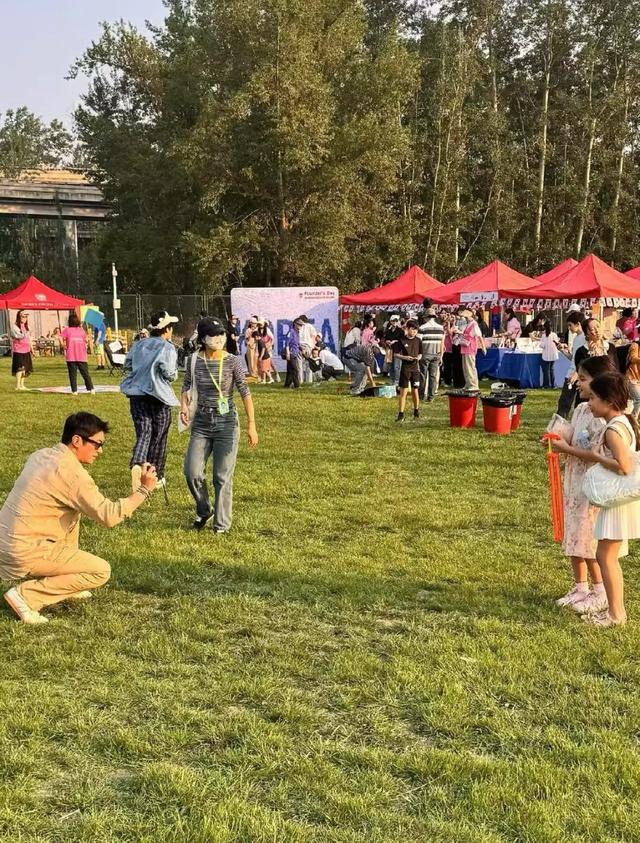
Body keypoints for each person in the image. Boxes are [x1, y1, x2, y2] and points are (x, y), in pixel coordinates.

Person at [0, 412, 157, 624]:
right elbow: (109, 516)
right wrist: (144, 490)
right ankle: (26, 596)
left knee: (73, 513)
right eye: (97, 444)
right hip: (23, 552)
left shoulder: (41, 455)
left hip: (6, 543)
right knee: (100, 571)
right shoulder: (73, 474)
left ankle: (69, 584)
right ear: (76, 440)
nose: (100, 451)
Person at [550, 372, 640, 627]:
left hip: (615, 501)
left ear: (610, 401)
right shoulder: (624, 422)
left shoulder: (613, 430)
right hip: (618, 499)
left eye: (596, 398)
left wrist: (596, 456)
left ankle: (615, 613)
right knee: (605, 556)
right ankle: (614, 610)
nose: (590, 403)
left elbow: (623, 466)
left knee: (606, 557)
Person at [549, 356, 613, 616]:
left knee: (588, 538)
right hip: (573, 482)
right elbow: (572, 436)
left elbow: (597, 454)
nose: (578, 383)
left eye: (583, 379)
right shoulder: (580, 410)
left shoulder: (603, 418)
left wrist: (568, 448)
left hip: (592, 486)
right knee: (573, 533)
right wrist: (556, 437)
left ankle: (600, 591)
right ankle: (580, 586)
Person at [181, 318, 258, 532]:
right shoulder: (193, 360)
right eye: (214, 335)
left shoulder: (233, 361)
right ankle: (204, 508)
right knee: (192, 471)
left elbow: (245, 391)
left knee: (222, 476)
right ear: (203, 338)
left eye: (222, 334)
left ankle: (222, 525)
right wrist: (184, 407)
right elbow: (186, 385)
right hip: (202, 423)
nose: (220, 339)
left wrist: (251, 424)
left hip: (227, 423)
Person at [120, 311, 179, 493]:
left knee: (144, 433)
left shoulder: (139, 344)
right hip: (158, 396)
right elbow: (168, 372)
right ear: (167, 329)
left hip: (137, 395)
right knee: (159, 437)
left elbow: (127, 364)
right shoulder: (167, 347)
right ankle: (156, 474)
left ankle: (137, 463)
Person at [556, 312, 587, 418]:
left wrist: (577, 373)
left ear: (578, 324)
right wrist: (563, 351)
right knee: (564, 402)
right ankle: (560, 425)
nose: (569, 328)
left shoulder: (585, 338)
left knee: (580, 404)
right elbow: (573, 358)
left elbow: (585, 359)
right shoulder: (576, 338)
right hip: (570, 374)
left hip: (579, 375)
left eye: (570, 325)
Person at [62, 312, 95, 396]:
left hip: (71, 356)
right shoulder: (81, 330)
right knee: (85, 373)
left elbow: (59, 337)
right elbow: (86, 340)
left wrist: (63, 345)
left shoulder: (67, 330)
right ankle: (91, 389)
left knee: (72, 374)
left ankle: (74, 391)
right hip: (82, 356)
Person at [396, 319, 421, 421]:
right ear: (407, 329)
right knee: (404, 392)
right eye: (412, 329)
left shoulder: (418, 340)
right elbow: (396, 354)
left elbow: (420, 353)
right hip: (405, 369)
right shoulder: (402, 340)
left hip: (415, 369)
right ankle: (401, 414)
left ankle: (416, 411)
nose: (414, 332)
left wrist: (418, 357)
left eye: (416, 330)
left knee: (415, 391)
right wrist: (405, 357)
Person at [418, 307, 444, 402]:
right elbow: (442, 343)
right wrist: (441, 356)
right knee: (433, 376)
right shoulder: (441, 328)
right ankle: (431, 396)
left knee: (423, 375)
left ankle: (421, 395)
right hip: (437, 354)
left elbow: (419, 342)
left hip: (425, 353)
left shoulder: (422, 328)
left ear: (426, 317)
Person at [457, 309, 486, 391]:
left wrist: (483, 347)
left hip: (470, 348)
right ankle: (468, 384)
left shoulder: (474, 324)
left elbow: (479, 336)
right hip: (465, 348)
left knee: (470, 367)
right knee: (466, 368)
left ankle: (473, 385)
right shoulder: (468, 324)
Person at [11, 309, 32, 391]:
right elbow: (17, 336)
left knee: (25, 368)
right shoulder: (15, 326)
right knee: (20, 368)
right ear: (19, 317)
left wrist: (31, 348)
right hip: (18, 350)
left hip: (26, 350)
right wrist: (26, 334)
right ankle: (17, 385)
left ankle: (22, 385)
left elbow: (29, 338)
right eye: (23, 316)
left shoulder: (27, 327)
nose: (24, 318)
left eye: (26, 317)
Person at [384, 314, 405, 388]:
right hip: (390, 350)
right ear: (391, 321)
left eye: (396, 321)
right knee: (390, 366)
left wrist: (395, 341)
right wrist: (387, 341)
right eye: (393, 321)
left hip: (397, 350)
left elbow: (403, 341)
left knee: (397, 366)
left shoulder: (400, 331)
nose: (395, 322)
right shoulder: (388, 331)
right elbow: (385, 339)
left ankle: (397, 381)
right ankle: (392, 380)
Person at [538, 320, 560, 389]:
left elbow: (542, 345)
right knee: (551, 369)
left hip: (546, 355)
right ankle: (553, 385)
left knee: (546, 370)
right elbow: (557, 343)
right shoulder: (554, 335)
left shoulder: (544, 336)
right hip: (553, 355)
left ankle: (547, 385)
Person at [283, 319, 304, 388]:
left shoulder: (297, 332)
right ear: (295, 324)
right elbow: (287, 343)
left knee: (290, 370)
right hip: (291, 353)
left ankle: (287, 385)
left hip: (295, 353)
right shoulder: (291, 332)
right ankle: (297, 385)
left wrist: (301, 349)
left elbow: (297, 344)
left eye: (301, 325)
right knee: (295, 370)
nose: (301, 326)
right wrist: (288, 353)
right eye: (299, 325)